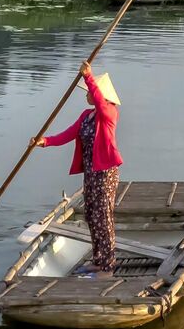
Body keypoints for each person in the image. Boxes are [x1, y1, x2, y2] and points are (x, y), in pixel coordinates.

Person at [34, 65, 123, 273]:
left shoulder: (109, 113)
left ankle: (108, 262)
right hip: (91, 172)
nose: (87, 96)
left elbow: (101, 103)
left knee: (103, 215)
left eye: (90, 93)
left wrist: (89, 77)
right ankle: (98, 258)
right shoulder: (86, 116)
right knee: (91, 214)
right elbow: (68, 134)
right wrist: (44, 141)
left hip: (105, 172)